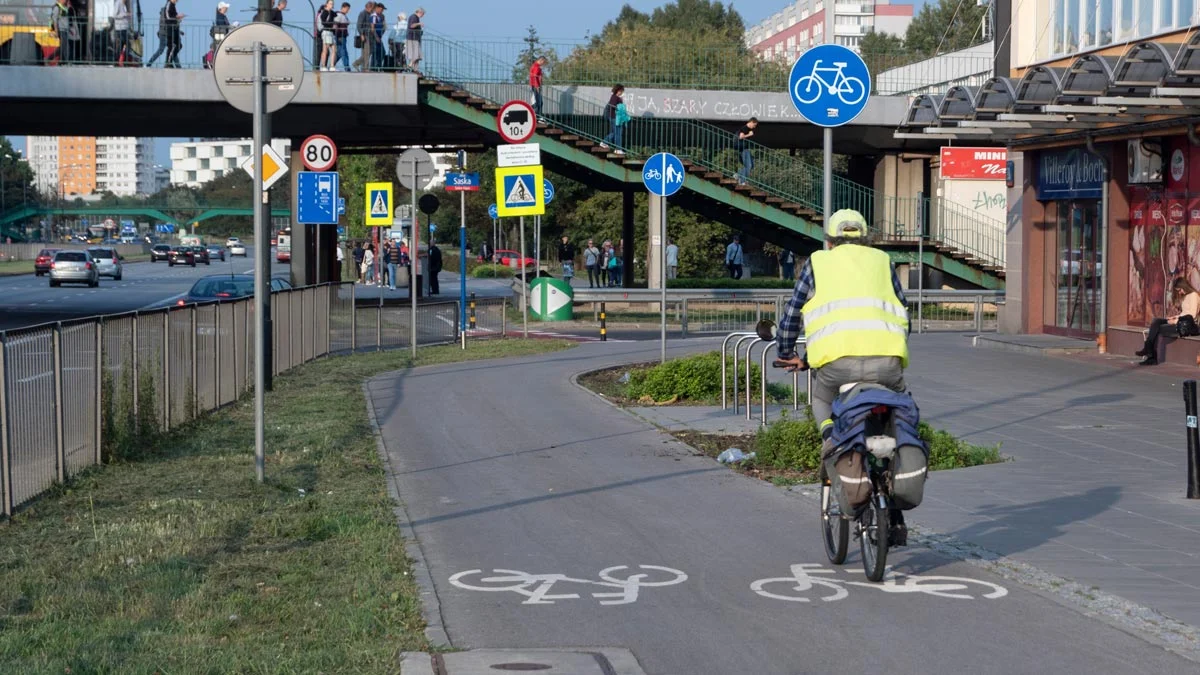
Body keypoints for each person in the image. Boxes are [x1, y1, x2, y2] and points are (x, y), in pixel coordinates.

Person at [774, 209, 911, 541]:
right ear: (865, 236)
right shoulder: (883, 262)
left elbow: (794, 312)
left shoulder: (818, 263)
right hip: (887, 362)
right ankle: (893, 511)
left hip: (836, 366)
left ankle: (831, 440)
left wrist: (788, 353)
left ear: (830, 240)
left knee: (821, 398)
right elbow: (902, 307)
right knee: (895, 408)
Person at [1137, 277, 1200, 365]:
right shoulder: (1186, 296)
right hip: (1181, 321)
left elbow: (1191, 315)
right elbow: (1184, 313)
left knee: (1158, 328)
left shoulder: (1193, 295)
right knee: (1156, 321)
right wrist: (1174, 317)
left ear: (1184, 287)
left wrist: (1176, 321)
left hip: (1186, 326)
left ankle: (1150, 354)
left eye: (1180, 289)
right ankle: (1149, 350)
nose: (1180, 292)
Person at [599, 85, 626, 156]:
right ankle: (618, 149)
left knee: (615, 133)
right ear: (618, 90)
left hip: (615, 118)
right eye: (621, 91)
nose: (622, 92)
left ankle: (604, 142)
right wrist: (619, 108)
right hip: (615, 117)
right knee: (618, 133)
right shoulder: (614, 97)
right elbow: (612, 105)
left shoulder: (616, 97)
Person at [736, 117, 758, 185]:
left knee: (752, 165)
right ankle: (742, 181)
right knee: (748, 165)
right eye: (754, 125)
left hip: (746, 149)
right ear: (751, 122)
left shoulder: (747, 129)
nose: (754, 127)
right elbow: (740, 137)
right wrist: (749, 134)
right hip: (743, 150)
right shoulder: (744, 128)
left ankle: (738, 174)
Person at [353, 1, 375, 71]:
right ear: (368, 7)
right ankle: (365, 68)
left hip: (369, 35)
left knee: (367, 53)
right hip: (365, 35)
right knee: (367, 52)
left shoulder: (370, 14)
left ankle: (357, 64)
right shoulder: (362, 14)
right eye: (371, 7)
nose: (372, 9)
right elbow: (359, 25)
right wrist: (361, 34)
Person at [164, 0, 184, 69]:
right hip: (170, 29)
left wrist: (178, 18)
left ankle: (170, 61)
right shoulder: (169, 4)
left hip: (175, 29)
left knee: (179, 45)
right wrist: (177, 17)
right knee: (172, 46)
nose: (177, 1)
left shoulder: (173, 6)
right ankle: (168, 63)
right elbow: (168, 17)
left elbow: (173, 17)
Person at [318, 0, 337, 71]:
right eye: (330, 4)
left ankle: (332, 66)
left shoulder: (332, 12)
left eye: (332, 4)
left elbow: (336, 16)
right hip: (326, 31)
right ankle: (323, 66)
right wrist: (332, 25)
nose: (332, 5)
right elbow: (323, 22)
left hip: (331, 32)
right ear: (327, 4)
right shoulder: (325, 12)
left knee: (334, 49)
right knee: (325, 49)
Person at [404, 7, 424, 72]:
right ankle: (410, 65)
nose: (422, 16)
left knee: (416, 56)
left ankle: (415, 70)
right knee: (417, 55)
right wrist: (419, 24)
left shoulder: (416, 18)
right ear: (419, 12)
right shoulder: (414, 17)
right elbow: (411, 26)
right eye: (422, 14)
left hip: (415, 38)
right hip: (412, 38)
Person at [334, 3, 352, 71]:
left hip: (343, 36)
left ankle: (331, 65)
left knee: (339, 53)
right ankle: (347, 67)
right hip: (340, 36)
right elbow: (335, 25)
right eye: (347, 9)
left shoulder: (344, 16)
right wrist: (337, 35)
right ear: (343, 8)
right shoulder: (339, 15)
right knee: (344, 52)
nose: (348, 10)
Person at [113, 0, 132, 65]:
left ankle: (124, 61)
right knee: (120, 47)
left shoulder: (124, 4)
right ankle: (117, 62)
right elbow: (115, 15)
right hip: (119, 29)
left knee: (127, 45)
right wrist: (124, 15)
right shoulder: (118, 3)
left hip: (124, 28)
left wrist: (127, 17)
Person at [370, 3, 387, 71]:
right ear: (377, 8)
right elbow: (372, 28)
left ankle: (378, 66)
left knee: (382, 52)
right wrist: (376, 37)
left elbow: (383, 26)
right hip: (375, 37)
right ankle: (373, 68)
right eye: (381, 9)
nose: (382, 11)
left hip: (379, 38)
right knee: (375, 52)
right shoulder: (374, 16)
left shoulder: (380, 16)